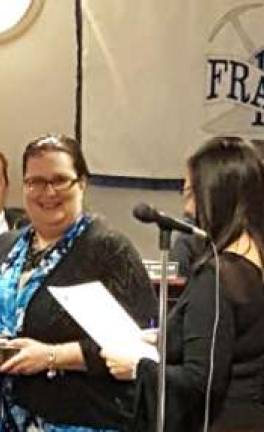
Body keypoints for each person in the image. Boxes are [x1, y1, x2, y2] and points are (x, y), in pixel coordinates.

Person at [0, 134, 158, 431]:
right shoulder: (4, 246)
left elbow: (142, 346)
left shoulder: (109, 250)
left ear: (82, 183)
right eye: (36, 182)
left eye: (60, 180)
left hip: (78, 419)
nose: (48, 192)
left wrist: (52, 357)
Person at [102, 136, 264, 431]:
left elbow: (199, 381)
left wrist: (137, 368)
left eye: (190, 193)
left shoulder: (217, 277)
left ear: (216, 195)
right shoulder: (254, 262)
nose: (187, 208)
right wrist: (166, 337)